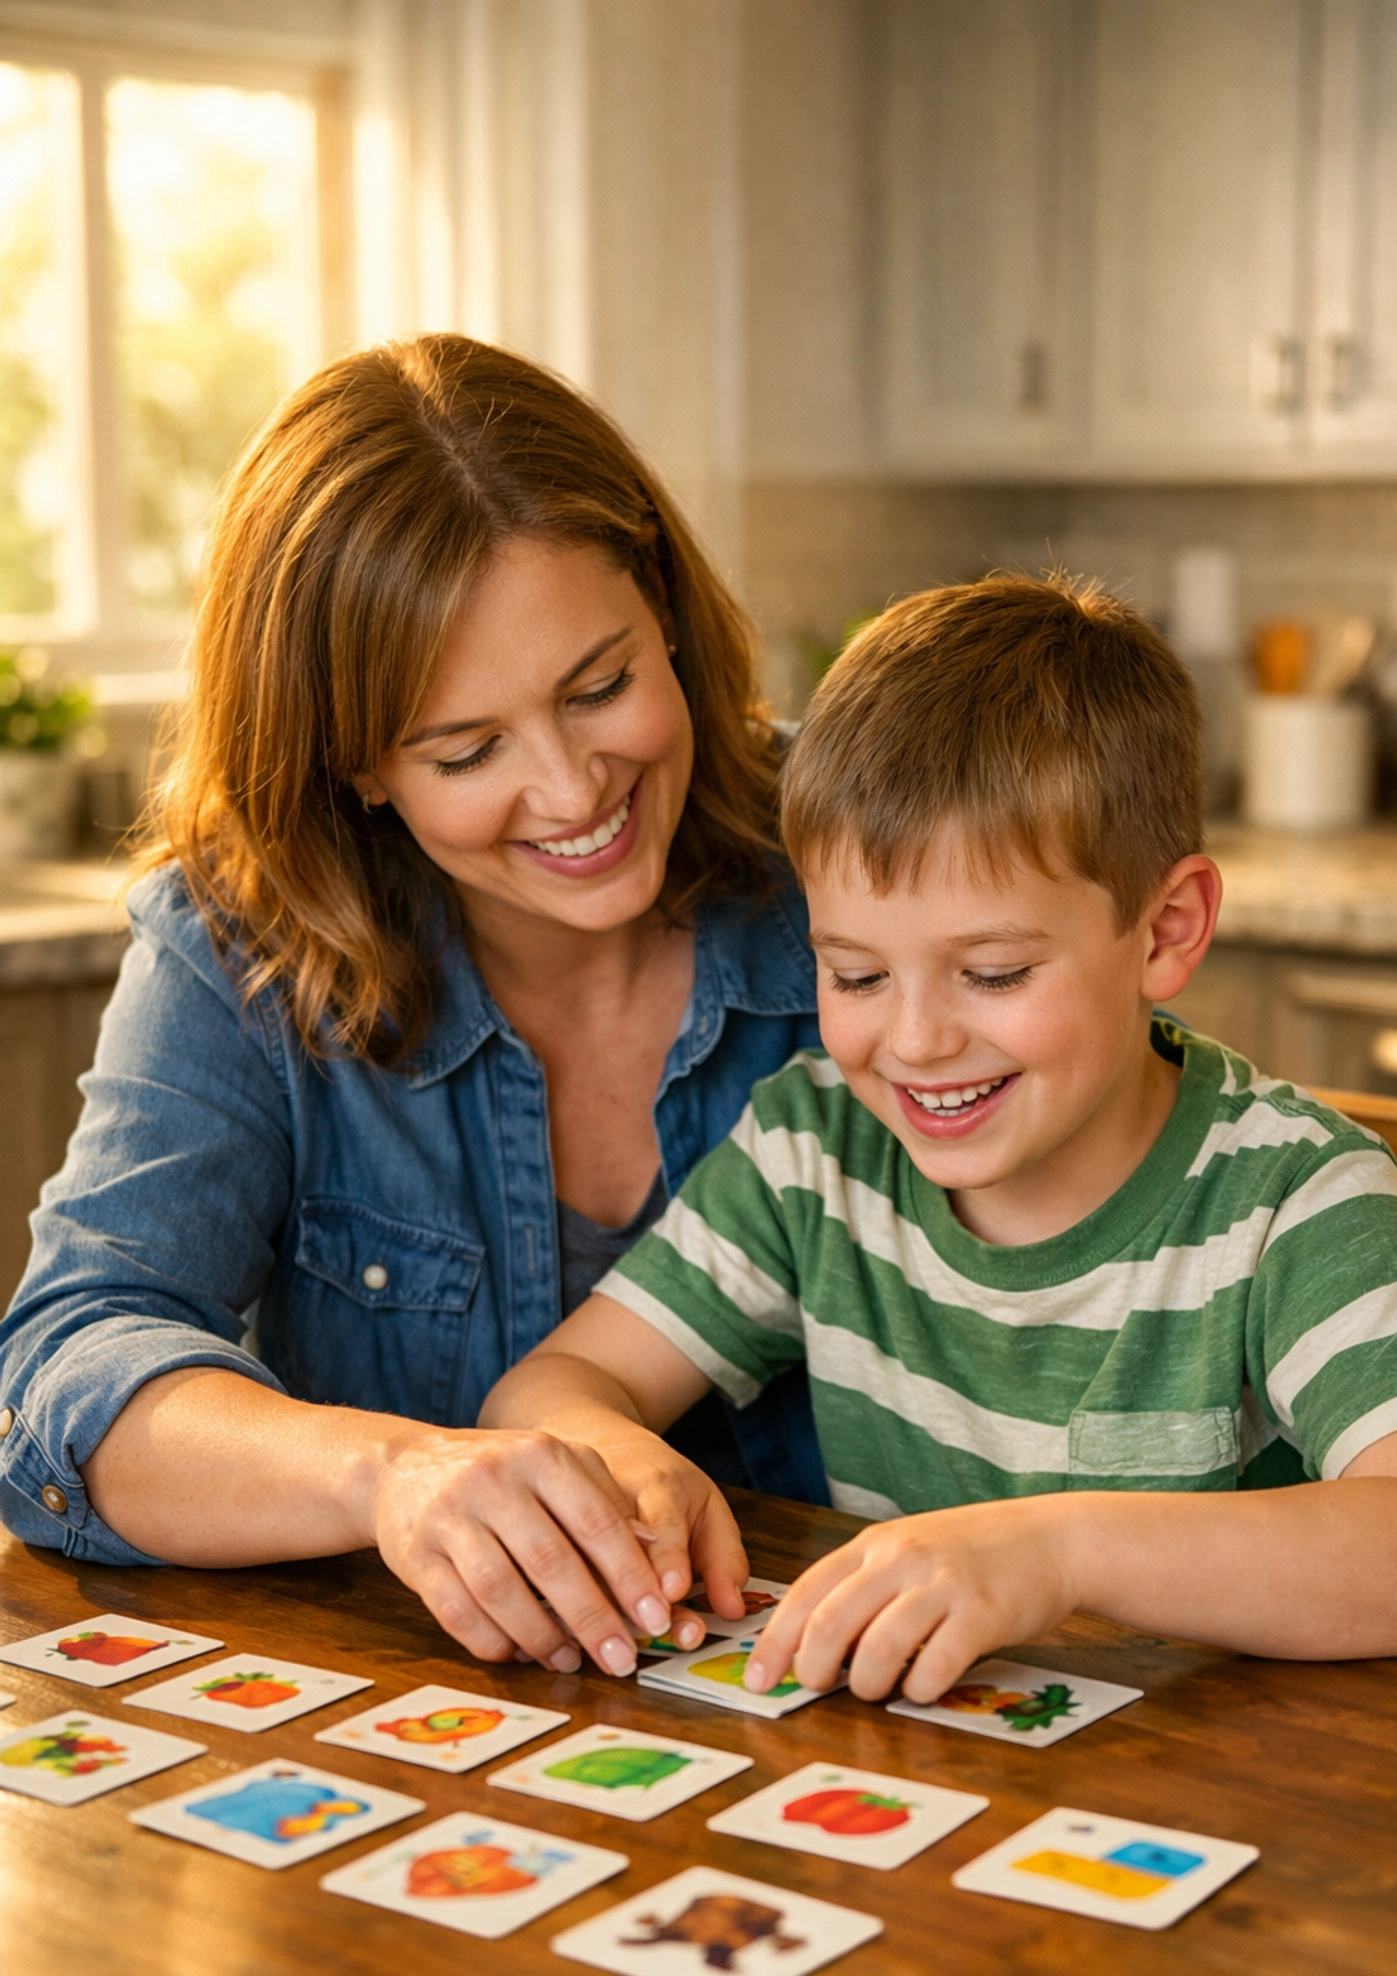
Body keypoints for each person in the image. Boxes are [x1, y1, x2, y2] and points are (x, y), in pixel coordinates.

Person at [490, 574, 1397, 1702]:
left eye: (992, 973)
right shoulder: (813, 1151)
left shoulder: (1292, 1196)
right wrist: (622, 1449)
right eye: (855, 974)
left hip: (1219, 1810)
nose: (918, 1040)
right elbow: (555, 1386)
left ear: (1166, 931)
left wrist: (1056, 1553)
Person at [0, 335, 826, 1675]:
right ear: (359, 766)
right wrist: (389, 1475)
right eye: (468, 750)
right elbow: (72, 1365)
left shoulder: (859, 845)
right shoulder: (245, 942)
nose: (571, 794)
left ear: (665, 609)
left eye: (602, 684)